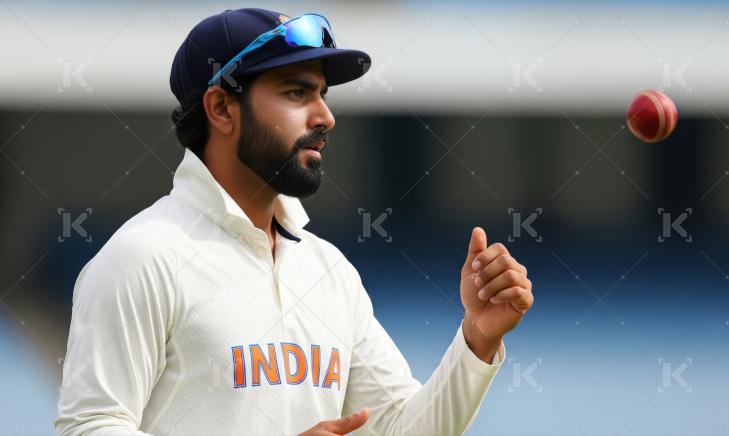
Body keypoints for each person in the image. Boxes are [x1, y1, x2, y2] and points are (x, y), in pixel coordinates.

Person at [55, 8, 534, 435]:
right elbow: (89, 426)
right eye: (296, 92)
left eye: (322, 94)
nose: (325, 115)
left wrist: (479, 337)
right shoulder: (142, 257)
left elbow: (399, 429)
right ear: (222, 108)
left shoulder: (328, 270)